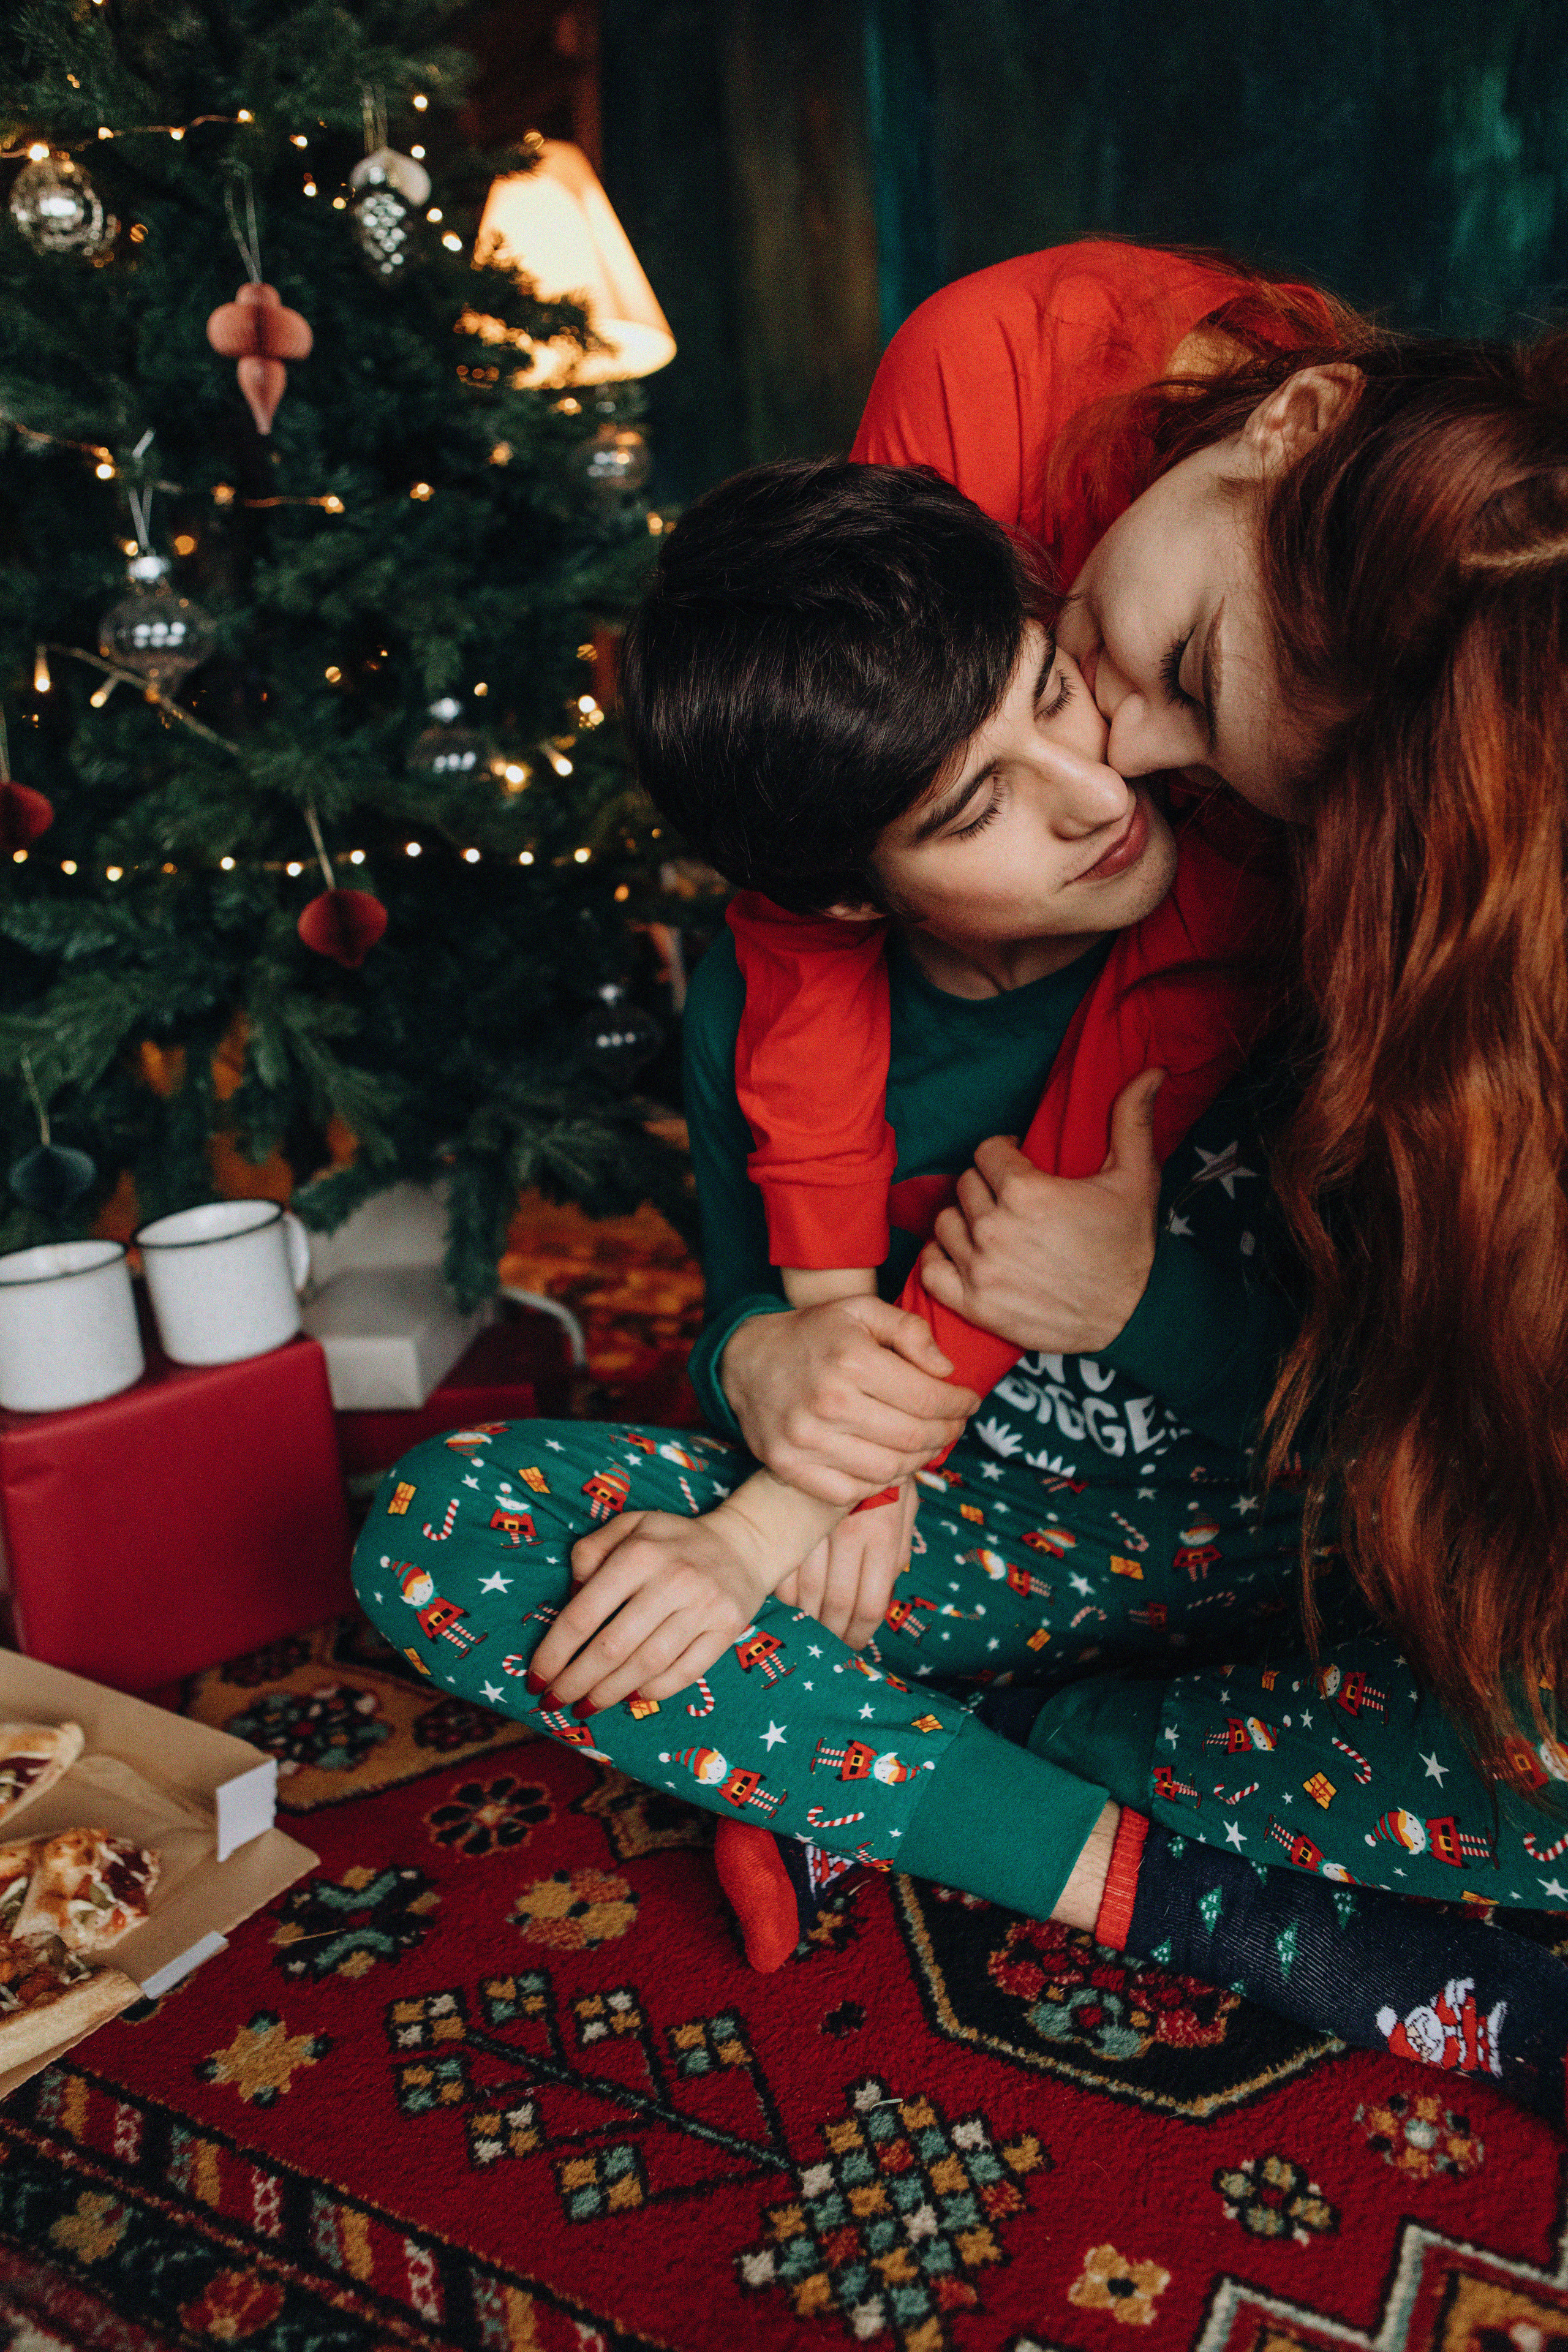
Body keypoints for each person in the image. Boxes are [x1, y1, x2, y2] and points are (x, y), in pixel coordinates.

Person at [352, 406, 1568, 2126]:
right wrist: (754, 1361)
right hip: (977, 1545)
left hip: (1331, 1534)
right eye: (980, 802)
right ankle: (1251, 1916)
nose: (1097, 798)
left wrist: (1133, 1301)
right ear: (847, 900)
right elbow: (756, 1306)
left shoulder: (1301, 897)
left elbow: (1461, 1403)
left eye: (1051, 691)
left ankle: (1017, 1755)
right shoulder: (755, 1006)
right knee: (447, 1538)